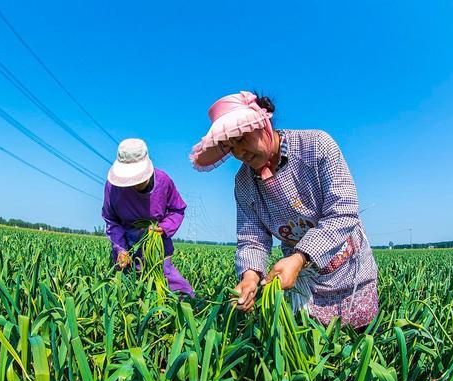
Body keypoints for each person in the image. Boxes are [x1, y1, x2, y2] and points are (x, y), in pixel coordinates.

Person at [190, 91, 378, 328]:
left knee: (358, 342)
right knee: (309, 343)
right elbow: (252, 239)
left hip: (348, 270)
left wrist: (300, 258)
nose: (239, 153)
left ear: (263, 124)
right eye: (229, 147)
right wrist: (250, 275)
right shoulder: (244, 183)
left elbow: (343, 209)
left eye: (240, 139)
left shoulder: (316, 146)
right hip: (301, 281)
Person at [103, 138, 194, 297]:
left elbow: (177, 209)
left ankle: (191, 309)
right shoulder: (112, 187)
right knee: (124, 290)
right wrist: (121, 249)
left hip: (156, 247)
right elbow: (112, 220)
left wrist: (164, 228)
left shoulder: (163, 181)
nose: (133, 184)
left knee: (177, 288)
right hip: (126, 246)